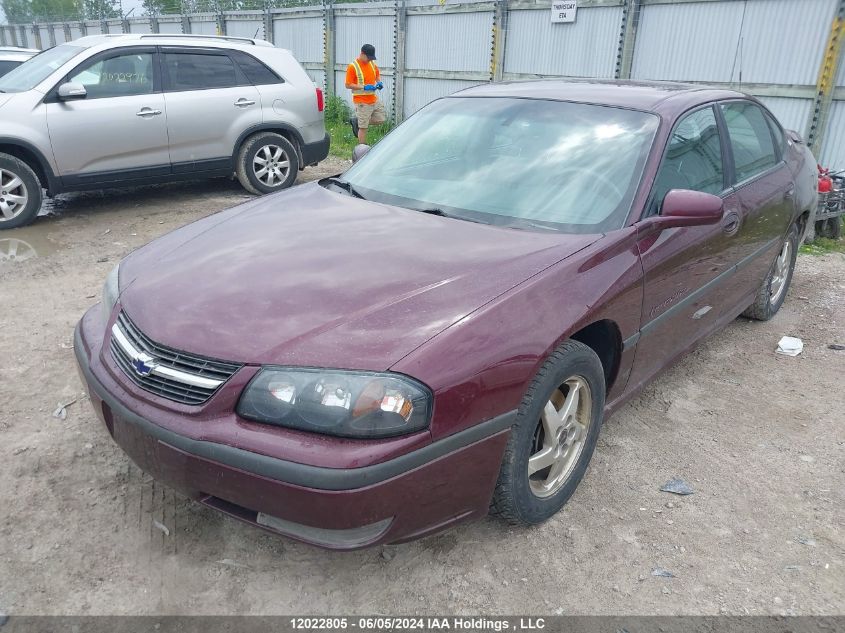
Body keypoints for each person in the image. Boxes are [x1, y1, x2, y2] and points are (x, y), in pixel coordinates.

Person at [345, 44, 386, 145]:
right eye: (368, 57)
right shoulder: (353, 66)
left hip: (373, 99)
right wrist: (364, 87)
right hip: (362, 101)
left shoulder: (371, 63)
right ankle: (362, 149)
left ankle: (357, 121)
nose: (370, 60)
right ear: (362, 54)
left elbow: (376, 74)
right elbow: (348, 85)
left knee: (381, 119)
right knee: (363, 127)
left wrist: (379, 82)